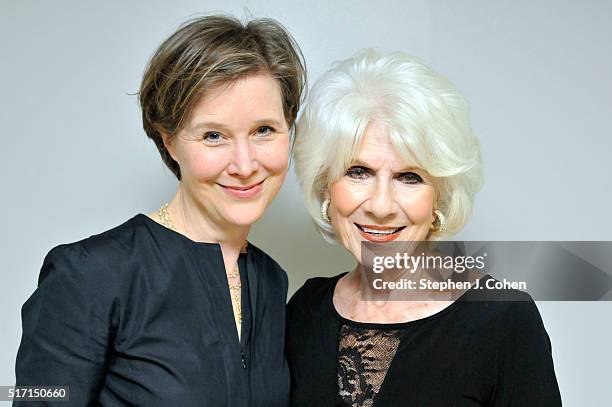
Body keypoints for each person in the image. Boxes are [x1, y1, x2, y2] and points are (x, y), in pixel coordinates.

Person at [15, 14, 305, 406]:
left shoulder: (271, 280)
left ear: (290, 129)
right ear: (169, 141)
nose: (244, 163)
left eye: (264, 130)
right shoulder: (88, 273)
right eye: (213, 135)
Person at [287, 49, 561, 406]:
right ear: (326, 186)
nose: (381, 206)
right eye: (358, 172)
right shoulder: (304, 311)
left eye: (409, 177)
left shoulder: (503, 320)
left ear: (439, 199)